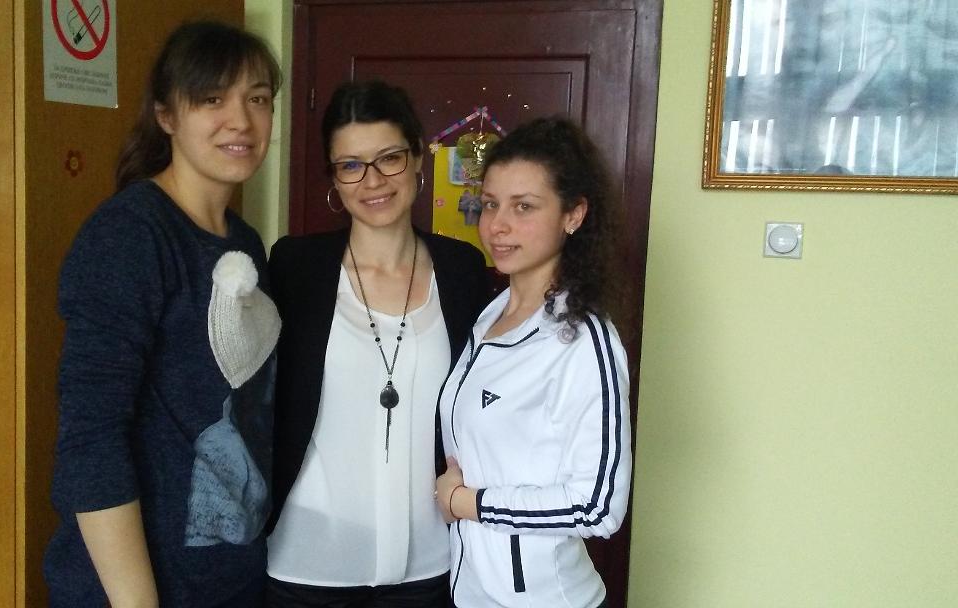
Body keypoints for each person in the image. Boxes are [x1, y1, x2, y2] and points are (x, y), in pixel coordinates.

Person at [44, 21, 282, 607]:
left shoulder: (244, 244)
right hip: (137, 589)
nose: (241, 120)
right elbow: (91, 439)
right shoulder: (129, 236)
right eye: (212, 99)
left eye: (257, 99)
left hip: (229, 579)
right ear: (166, 115)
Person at [264, 80, 490, 607]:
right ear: (334, 178)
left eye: (389, 158)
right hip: (306, 564)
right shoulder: (295, 268)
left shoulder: (462, 270)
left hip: (432, 564)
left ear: (417, 159)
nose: (373, 181)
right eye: (351, 165)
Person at [435, 117, 632, 608]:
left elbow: (598, 505)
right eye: (490, 204)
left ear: (573, 215)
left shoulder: (582, 340)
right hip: (473, 591)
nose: (497, 225)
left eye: (523, 206)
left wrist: (467, 503)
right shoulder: (491, 316)